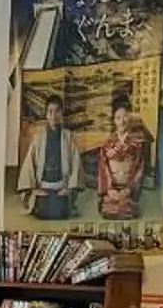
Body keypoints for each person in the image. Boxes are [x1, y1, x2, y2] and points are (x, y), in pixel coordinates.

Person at [16, 96, 81, 221]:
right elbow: (30, 164)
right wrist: (35, 189)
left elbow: (76, 162)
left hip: (62, 186)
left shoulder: (69, 136)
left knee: (60, 214)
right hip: (42, 187)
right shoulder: (38, 137)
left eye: (57, 111)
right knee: (43, 213)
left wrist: (68, 189)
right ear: (46, 114)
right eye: (50, 111)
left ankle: (62, 200)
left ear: (62, 113)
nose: (54, 115)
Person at [95, 90, 153, 220]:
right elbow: (103, 169)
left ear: (130, 117)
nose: (122, 121)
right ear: (114, 120)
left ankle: (126, 200)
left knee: (127, 209)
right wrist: (110, 189)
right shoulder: (108, 143)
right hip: (112, 188)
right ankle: (113, 198)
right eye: (118, 118)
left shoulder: (137, 142)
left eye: (125, 117)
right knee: (107, 209)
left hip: (128, 189)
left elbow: (139, 168)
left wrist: (128, 189)